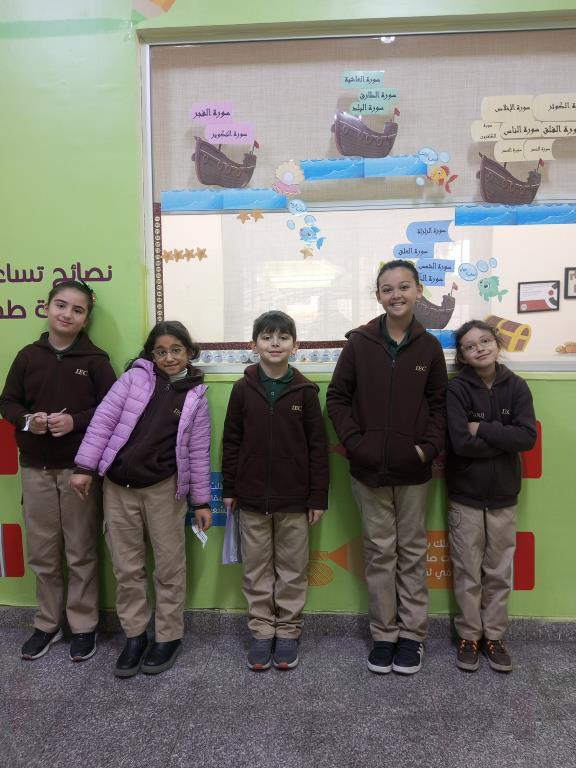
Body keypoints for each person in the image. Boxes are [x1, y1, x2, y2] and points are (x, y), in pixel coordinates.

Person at [70, 321, 212, 677]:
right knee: (127, 568)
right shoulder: (133, 379)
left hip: (164, 490)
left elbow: (198, 453)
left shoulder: (196, 396)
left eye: (176, 350)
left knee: (169, 567)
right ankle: (134, 636)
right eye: (160, 351)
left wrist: (201, 502)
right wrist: (85, 467)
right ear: (151, 354)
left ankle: (168, 637)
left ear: (189, 352)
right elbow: (103, 421)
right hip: (118, 488)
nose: (169, 357)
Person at [326, 259, 447, 675]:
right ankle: (384, 634)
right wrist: (356, 444)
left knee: (411, 553)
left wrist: (426, 449)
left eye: (404, 286)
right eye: (387, 288)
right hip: (368, 470)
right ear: (378, 295)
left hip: (413, 471)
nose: (396, 294)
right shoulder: (359, 343)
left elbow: (439, 404)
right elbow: (337, 398)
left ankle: (412, 636)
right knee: (379, 553)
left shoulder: (429, 347)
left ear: (418, 291)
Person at [0, 280, 117, 662]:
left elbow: (112, 409)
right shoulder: (28, 356)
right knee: (42, 553)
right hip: (35, 469)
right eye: (61, 305)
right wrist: (27, 420)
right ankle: (47, 623)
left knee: (81, 551)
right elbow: (8, 402)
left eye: (77, 310)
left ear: (85, 320)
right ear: (47, 308)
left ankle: (84, 626)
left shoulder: (96, 361)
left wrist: (75, 422)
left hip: (79, 471)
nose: (67, 314)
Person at [222, 310, 329, 671]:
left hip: (295, 500)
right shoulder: (242, 389)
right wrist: (230, 488)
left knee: (292, 569)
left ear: (295, 346)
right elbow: (231, 442)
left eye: (283, 337)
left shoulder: (306, 392)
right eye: (267, 337)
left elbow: (318, 448)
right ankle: (261, 631)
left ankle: (287, 631)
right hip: (251, 498)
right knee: (256, 570)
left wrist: (317, 497)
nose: (275, 343)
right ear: (254, 345)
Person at [446, 320, 536, 673]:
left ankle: (494, 636)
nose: (480, 349)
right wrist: (503, 439)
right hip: (465, 496)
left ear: (497, 344)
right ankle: (469, 636)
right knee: (467, 570)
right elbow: (460, 443)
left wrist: (482, 427)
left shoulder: (517, 386)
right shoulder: (456, 390)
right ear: (462, 356)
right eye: (470, 346)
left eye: (485, 341)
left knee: (498, 572)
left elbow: (526, 438)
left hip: (504, 496)